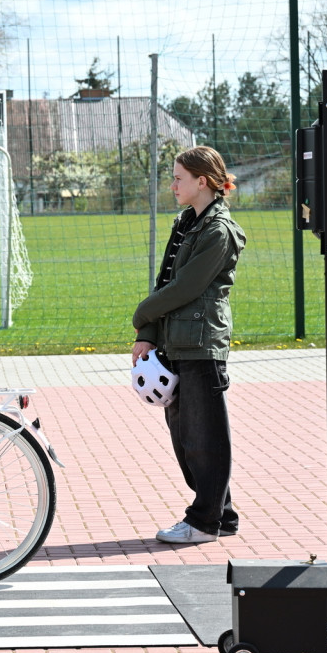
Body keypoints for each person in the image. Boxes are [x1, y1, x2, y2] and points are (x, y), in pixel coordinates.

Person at [131, 145, 247, 544]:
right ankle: (222, 515)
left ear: (203, 181)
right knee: (186, 438)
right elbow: (166, 279)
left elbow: (187, 287)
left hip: (202, 344)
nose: (173, 184)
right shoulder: (187, 222)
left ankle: (203, 522)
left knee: (205, 437)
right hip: (177, 341)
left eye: (179, 177)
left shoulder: (219, 230)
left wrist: (141, 314)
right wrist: (147, 334)